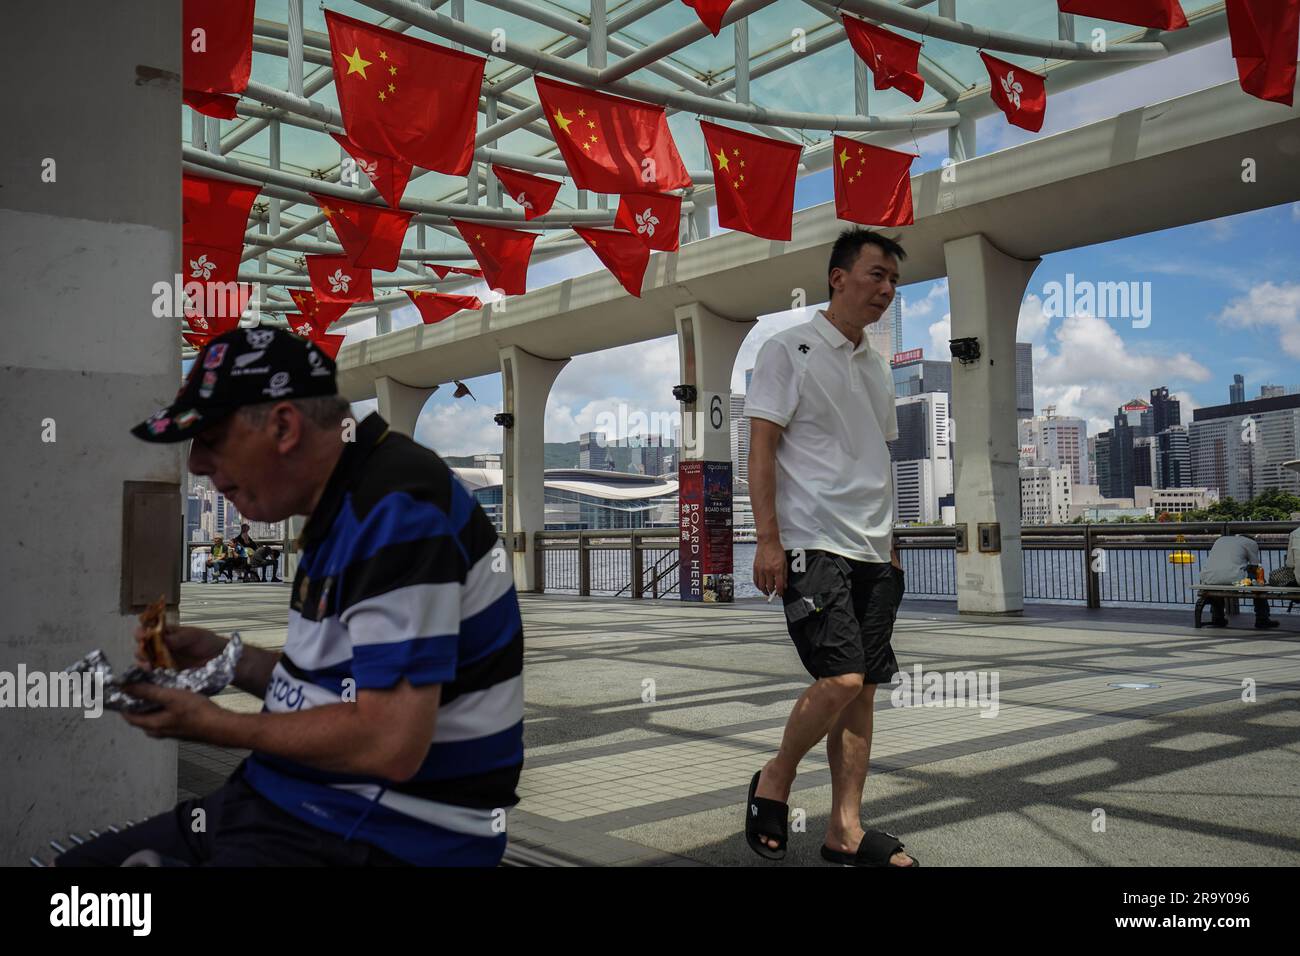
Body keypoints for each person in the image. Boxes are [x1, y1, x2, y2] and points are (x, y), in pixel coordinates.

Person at [57, 327, 524, 867]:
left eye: (208, 440)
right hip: (289, 805)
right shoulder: (349, 499)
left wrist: (213, 726)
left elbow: (389, 742)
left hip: (383, 833)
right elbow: (340, 686)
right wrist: (225, 659)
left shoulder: (396, 509)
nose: (195, 467)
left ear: (282, 426)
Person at [743, 227, 915, 867]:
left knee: (863, 688)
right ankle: (775, 778)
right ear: (838, 277)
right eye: (877, 275)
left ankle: (845, 830)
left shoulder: (876, 365)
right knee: (839, 675)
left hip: (874, 548)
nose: (887, 290)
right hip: (811, 543)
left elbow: (875, 458)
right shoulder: (788, 349)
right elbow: (761, 447)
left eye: (894, 280)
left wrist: (891, 545)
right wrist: (767, 538)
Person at [1200, 532, 1278, 629]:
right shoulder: (1251, 543)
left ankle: (1217, 617)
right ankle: (1262, 618)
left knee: (1220, 583)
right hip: (1236, 583)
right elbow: (1255, 566)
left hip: (1208, 579)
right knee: (1258, 581)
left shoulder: (1221, 540)